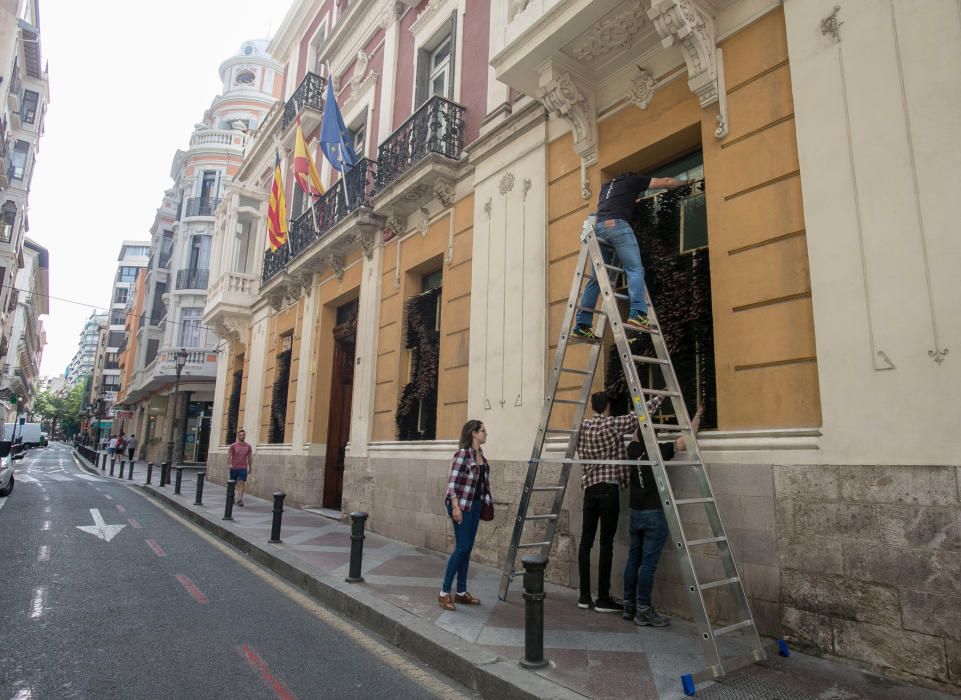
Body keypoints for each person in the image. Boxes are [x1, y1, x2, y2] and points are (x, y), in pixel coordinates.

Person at [572, 173, 686, 340]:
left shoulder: (606, 187)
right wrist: (685, 182)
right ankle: (638, 313)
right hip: (617, 226)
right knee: (634, 269)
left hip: (598, 229)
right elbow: (666, 182)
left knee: (596, 278)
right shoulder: (633, 179)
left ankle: (582, 325)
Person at [622, 402, 704, 627]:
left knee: (633, 559)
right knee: (648, 563)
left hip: (635, 513)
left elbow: (636, 435)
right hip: (653, 515)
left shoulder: (632, 450)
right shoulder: (657, 451)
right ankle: (644, 610)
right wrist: (697, 415)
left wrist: (642, 419)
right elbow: (686, 440)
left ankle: (629, 606)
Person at [576, 391, 638, 612]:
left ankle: (584, 597)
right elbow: (636, 416)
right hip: (608, 489)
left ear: (593, 406)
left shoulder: (582, 427)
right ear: (608, 406)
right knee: (606, 543)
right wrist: (654, 398)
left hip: (590, 489)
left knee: (586, 542)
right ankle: (603, 598)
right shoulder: (611, 424)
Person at [439, 420, 493, 611]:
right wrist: (455, 507)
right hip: (461, 506)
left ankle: (461, 593)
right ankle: (444, 593)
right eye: (483, 431)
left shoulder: (481, 456)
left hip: (475, 506)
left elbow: (482, 485)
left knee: (467, 549)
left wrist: (487, 501)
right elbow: (452, 484)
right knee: (461, 548)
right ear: (474, 434)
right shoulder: (462, 455)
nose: (486, 433)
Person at [227, 428, 253, 506]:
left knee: (241, 483)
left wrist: (250, 467)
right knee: (233, 484)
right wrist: (230, 464)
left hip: (243, 468)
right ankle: (231, 497)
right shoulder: (233, 445)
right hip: (234, 468)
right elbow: (229, 455)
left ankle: (239, 500)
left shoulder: (248, 446)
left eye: (243, 435)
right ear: (238, 436)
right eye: (240, 435)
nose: (242, 436)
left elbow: (249, 457)